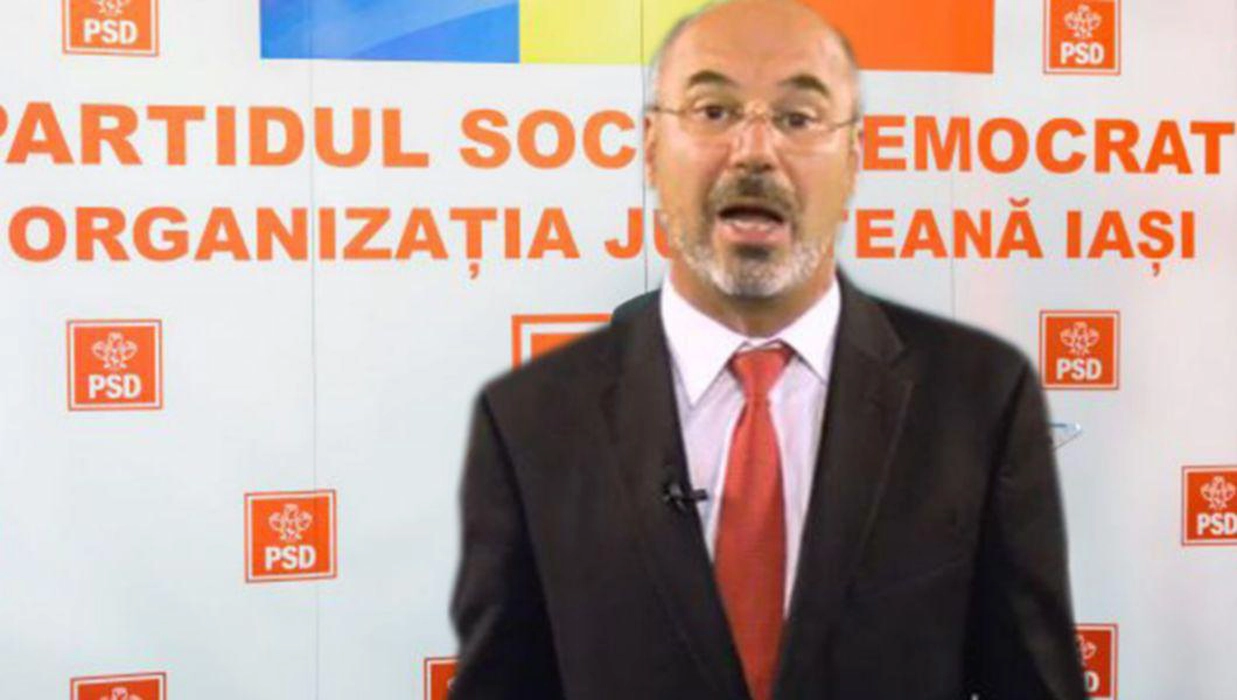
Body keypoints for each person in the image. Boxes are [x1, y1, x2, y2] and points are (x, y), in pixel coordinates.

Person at [449, 1, 1088, 698]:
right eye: (713, 111)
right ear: (651, 148)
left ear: (853, 159)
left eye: (797, 117)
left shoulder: (978, 400)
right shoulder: (530, 420)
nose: (754, 152)